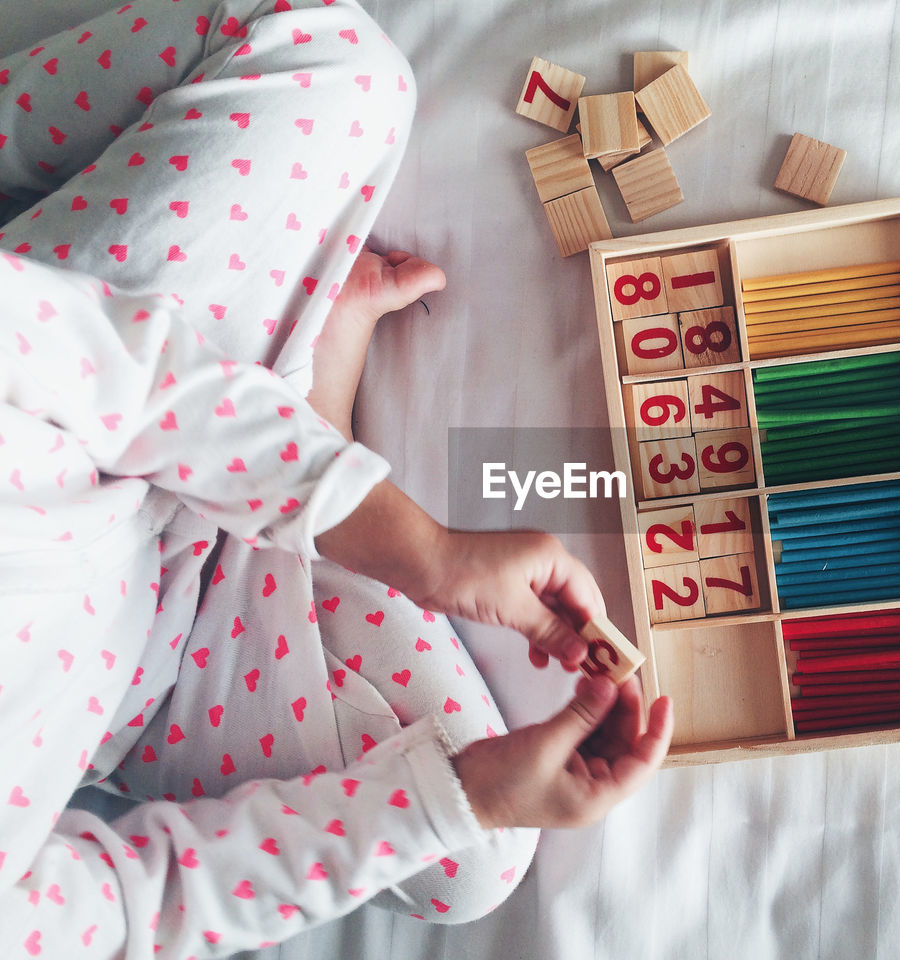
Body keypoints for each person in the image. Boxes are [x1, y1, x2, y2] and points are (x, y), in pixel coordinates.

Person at [0, 1, 673, 956]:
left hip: (119, 394)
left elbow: (140, 383)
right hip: (152, 676)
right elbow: (139, 908)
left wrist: (426, 552)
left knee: (321, 49)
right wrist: (467, 796)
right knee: (475, 855)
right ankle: (315, 410)